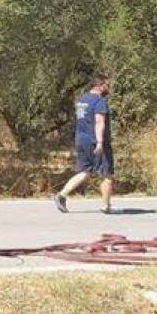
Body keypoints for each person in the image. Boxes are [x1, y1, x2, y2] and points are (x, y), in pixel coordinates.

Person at [54, 74, 115, 214]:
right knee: (107, 174)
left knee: (85, 171)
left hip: (81, 139)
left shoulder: (81, 100)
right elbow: (99, 122)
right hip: (96, 141)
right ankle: (106, 206)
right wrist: (100, 142)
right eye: (107, 85)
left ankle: (61, 195)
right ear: (100, 86)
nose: (108, 88)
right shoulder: (99, 102)